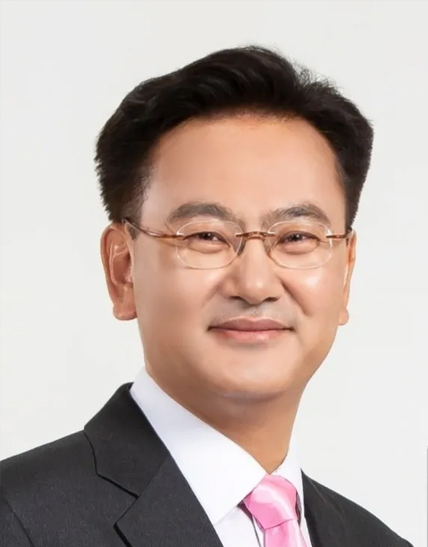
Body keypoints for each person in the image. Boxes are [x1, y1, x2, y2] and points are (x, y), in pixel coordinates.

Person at [0, 45, 413, 547]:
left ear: (345, 273)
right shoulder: (17, 521)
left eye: (296, 237)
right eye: (206, 236)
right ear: (123, 270)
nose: (255, 285)